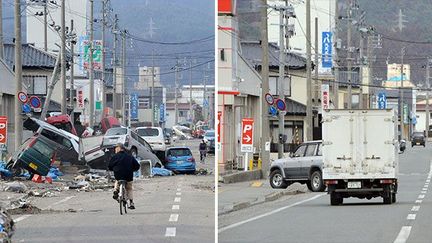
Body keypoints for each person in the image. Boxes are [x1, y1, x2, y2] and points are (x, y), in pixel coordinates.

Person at [108, 143, 140, 209]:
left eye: (116, 148)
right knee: (129, 188)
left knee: (117, 180)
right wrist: (133, 169)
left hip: (118, 174)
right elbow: (137, 166)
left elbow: (110, 166)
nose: (115, 150)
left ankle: (116, 191)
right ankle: (131, 202)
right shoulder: (130, 156)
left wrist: (113, 169)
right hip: (128, 175)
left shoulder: (114, 157)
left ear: (119, 148)